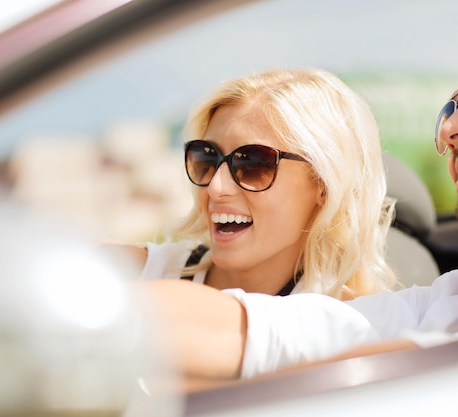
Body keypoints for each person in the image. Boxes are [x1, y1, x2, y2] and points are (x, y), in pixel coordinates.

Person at [137, 30, 458, 382]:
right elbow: (239, 333)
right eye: (448, 111)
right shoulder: (437, 309)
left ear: (325, 184)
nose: (452, 130)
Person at [129, 68, 398, 299]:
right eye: (206, 157)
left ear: (324, 183)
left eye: (252, 164)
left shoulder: (349, 327)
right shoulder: (131, 275)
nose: (216, 187)